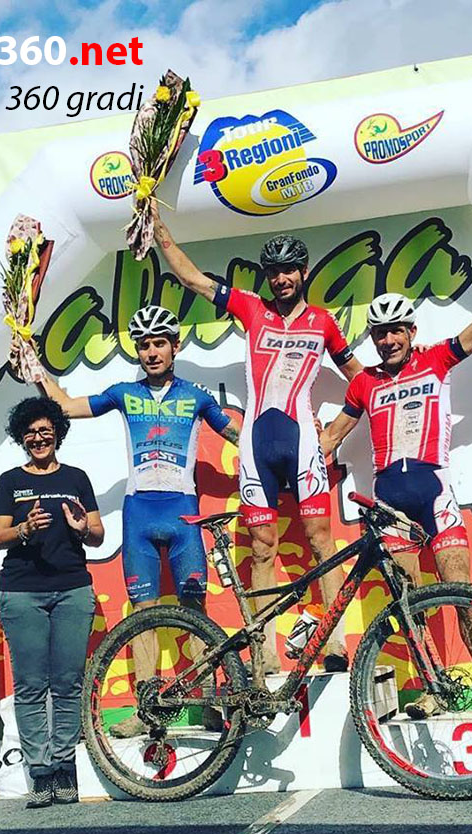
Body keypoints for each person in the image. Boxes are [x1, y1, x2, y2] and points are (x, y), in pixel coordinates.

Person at [321, 259, 472, 718]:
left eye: (395, 331)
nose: (387, 340)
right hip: (390, 504)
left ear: (410, 331)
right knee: (409, 605)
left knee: (461, 592)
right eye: (379, 333)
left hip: (434, 492)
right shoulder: (364, 383)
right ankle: (433, 688)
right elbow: (331, 437)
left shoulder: (436, 359)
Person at [150, 205, 362, 673]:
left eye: (289, 270)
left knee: (321, 541)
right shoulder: (252, 308)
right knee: (262, 547)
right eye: (274, 272)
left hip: (303, 442)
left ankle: (335, 643)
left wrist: (334, 432)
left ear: (303, 272)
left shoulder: (323, 322)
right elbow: (193, 280)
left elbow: (362, 381)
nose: (281, 279)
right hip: (256, 447)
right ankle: (265, 652)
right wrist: (159, 230)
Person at [41, 305, 241, 737]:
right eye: (144, 345)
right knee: (142, 615)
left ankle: (208, 700)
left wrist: (300, 446)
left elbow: (238, 437)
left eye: (159, 344)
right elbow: (66, 406)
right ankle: (148, 709)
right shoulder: (124, 394)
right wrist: (35, 367)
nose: (152, 352)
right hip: (139, 515)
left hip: (183, 511)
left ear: (175, 347)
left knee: (195, 610)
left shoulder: (196, 397)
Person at [0, 397, 104, 808]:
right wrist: (24, 528)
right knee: (30, 686)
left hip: (72, 589)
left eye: (45, 431)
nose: (38, 438)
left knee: (69, 684)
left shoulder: (77, 477)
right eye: (31, 433)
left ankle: (64, 766)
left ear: (57, 434)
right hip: (23, 593)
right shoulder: (10, 481)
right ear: (21, 437)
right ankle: (40, 772)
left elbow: (98, 535)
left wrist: (81, 528)